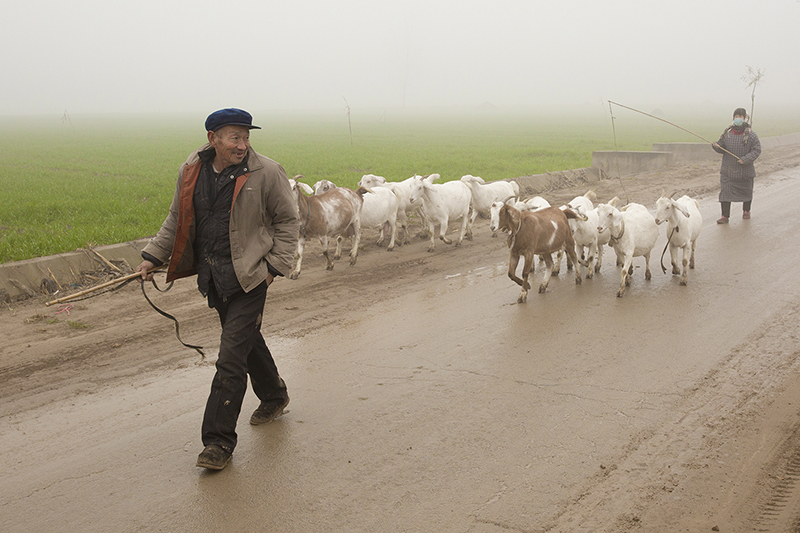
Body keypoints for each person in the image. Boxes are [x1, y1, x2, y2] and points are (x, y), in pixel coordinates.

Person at [136, 108, 299, 470]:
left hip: (251, 277)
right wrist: (152, 257)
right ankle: (274, 394)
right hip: (214, 277)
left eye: (246, 137)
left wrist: (273, 269)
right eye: (234, 137)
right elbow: (177, 219)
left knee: (230, 359)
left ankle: (218, 443)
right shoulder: (191, 170)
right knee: (245, 340)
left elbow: (288, 221)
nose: (242, 144)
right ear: (213, 138)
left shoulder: (266, 172)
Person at [711, 107, 761, 224]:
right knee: (725, 193)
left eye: (740, 117)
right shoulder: (727, 134)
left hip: (745, 170)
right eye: (736, 117)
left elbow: (757, 150)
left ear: (745, 119)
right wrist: (716, 146)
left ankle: (746, 211)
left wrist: (745, 159)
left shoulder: (751, 136)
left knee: (747, 191)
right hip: (728, 170)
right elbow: (721, 147)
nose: (738, 119)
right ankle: (725, 216)